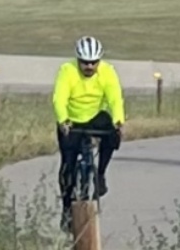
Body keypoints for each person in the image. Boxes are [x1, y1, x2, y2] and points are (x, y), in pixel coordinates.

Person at [52, 36, 125, 231]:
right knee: (67, 165)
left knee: (112, 134)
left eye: (94, 62)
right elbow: (59, 98)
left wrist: (119, 120)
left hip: (94, 116)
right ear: (78, 60)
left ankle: (100, 174)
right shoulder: (67, 71)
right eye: (85, 62)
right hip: (72, 119)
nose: (89, 66)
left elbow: (115, 98)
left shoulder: (108, 72)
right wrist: (63, 120)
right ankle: (67, 209)